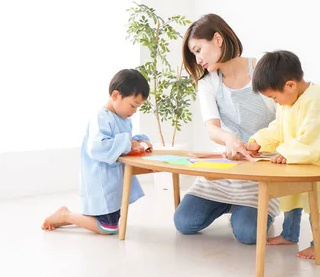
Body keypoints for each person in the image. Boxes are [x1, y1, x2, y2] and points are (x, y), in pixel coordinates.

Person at [174, 14, 279, 244]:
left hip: (261, 168)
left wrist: (259, 146)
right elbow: (212, 127)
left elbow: (284, 120)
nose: (197, 59)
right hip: (227, 167)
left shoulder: (262, 69)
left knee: (248, 235)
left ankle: (246, 210)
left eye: (198, 49)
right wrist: (229, 139)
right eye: (194, 54)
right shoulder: (208, 82)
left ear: (218, 39)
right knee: (184, 222)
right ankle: (229, 202)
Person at [247, 50, 320, 259]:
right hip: (296, 161)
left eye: (274, 97)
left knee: (319, 205)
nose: (275, 102)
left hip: (319, 163)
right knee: (291, 197)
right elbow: (278, 128)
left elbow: (313, 136)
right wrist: (258, 142)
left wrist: (286, 153)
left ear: (290, 85)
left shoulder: (317, 98)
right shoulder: (288, 102)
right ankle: (289, 234)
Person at [41, 69, 152, 235]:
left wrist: (140, 141)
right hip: (102, 180)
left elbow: (124, 140)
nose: (135, 111)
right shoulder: (101, 118)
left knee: (110, 218)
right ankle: (66, 215)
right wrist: (128, 143)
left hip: (113, 180)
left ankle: (76, 217)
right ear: (115, 96)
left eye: (138, 107)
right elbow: (98, 147)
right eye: (133, 105)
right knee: (108, 228)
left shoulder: (123, 119)